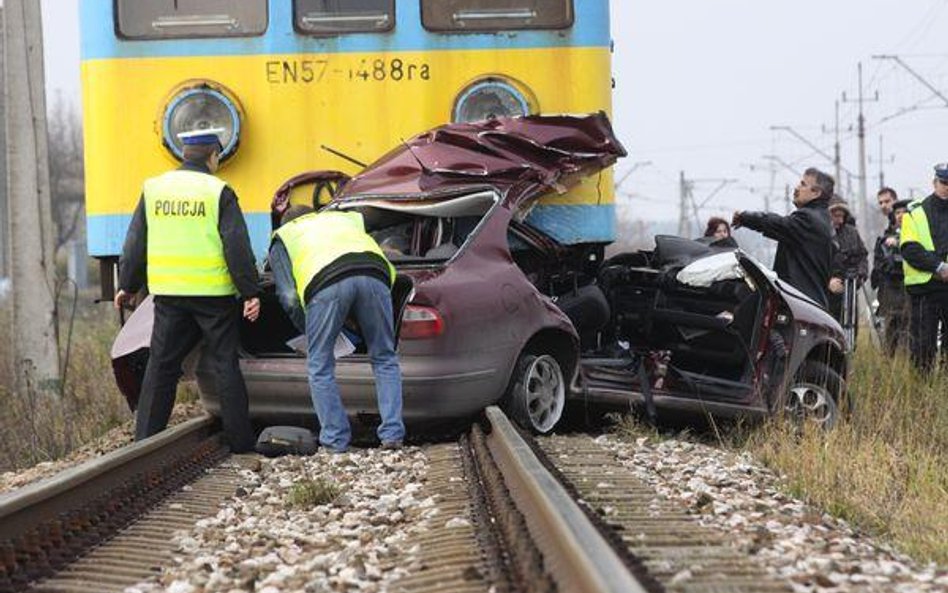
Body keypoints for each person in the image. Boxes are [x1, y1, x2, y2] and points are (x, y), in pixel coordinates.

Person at [114, 128, 260, 452]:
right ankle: (241, 444)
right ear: (214, 156)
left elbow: (136, 242)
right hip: (214, 296)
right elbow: (236, 245)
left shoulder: (153, 189)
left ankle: (145, 442)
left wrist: (126, 285)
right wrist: (250, 291)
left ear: (184, 154)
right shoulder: (218, 190)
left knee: (161, 366)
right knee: (225, 364)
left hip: (170, 294)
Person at [269, 204, 405, 453]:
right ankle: (392, 435)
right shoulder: (344, 220)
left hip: (326, 282)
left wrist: (310, 330)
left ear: (286, 224)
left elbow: (288, 295)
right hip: (377, 275)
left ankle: (335, 440)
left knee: (320, 366)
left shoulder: (285, 236)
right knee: (385, 357)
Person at [732, 167, 835, 308]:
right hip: (810, 300)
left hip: (800, 300)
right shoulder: (823, 219)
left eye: (803, 184)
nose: (797, 188)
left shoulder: (808, 220)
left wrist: (745, 217)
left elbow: (777, 223)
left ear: (816, 193)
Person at [900, 163, 948, 370]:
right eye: (944, 183)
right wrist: (939, 267)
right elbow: (910, 248)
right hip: (925, 287)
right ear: (934, 183)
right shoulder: (914, 212)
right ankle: (922, 388)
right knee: (922, 344)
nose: (947, 188)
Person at [827, 198, 869, 345]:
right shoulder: (820, 233)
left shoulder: (851, 233)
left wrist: (860, 275)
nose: (839, 220)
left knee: (850, 331)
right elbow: (811, 263)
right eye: (835, 215)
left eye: (841, 216)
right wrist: (828, 281)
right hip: (825, 294)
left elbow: (863, 256)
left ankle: (848, 358)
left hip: (849, 288)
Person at [872, 198, 911, 355]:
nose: (901, 216)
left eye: (904, 212)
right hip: (890, 291)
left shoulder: (918, 235)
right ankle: (889, 366)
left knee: (908, 331)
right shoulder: (884, 239)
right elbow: (879, 265)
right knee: (889, 331)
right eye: (897, 213)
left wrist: (900, 244)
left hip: (909, 290)